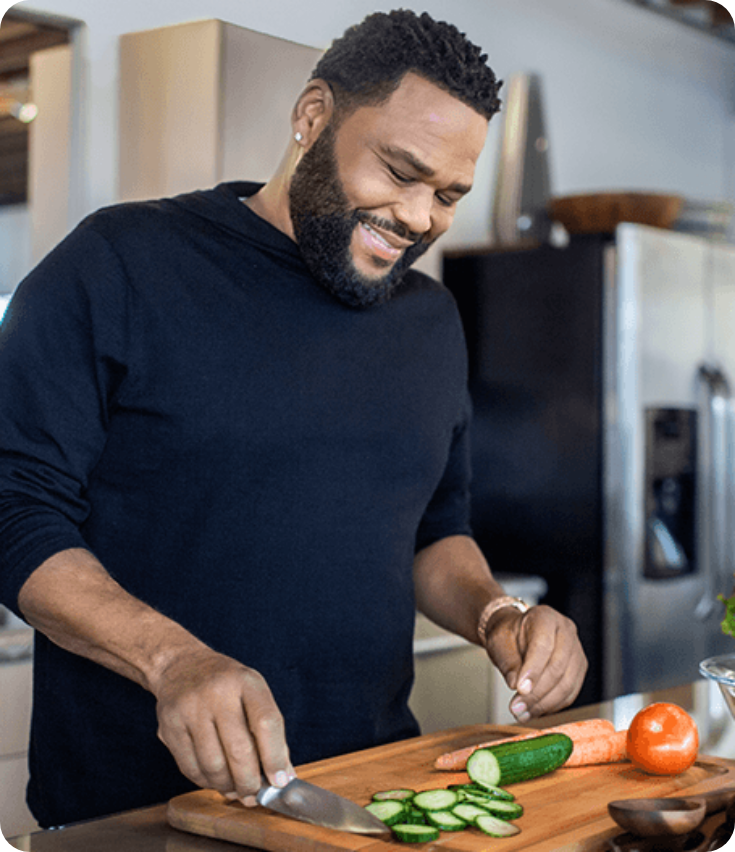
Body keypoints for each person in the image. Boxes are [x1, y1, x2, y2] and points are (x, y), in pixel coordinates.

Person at [0, 9, 587, 830]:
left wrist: (498, 616)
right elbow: (18, 511)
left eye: (448, 194)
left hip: (366, 795)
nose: (419, 217)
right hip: (134, 810)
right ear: (313, 116)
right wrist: (173, 661)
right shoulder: (118, 264)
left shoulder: (430, 322)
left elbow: (432, 530)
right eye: (399, 171)